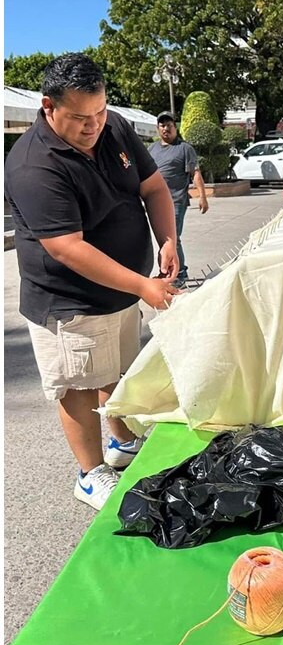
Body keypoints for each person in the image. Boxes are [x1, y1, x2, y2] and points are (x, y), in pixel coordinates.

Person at [4, 53, 182, 510]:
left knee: (116, 369)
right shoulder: (32, 165)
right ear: (48, 106)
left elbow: (154, 187)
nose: (94, 125)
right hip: (70, 300)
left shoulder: (115, 126)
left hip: (122, 289)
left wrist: (167, 240)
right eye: (81, 117)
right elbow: (66, 247)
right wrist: (144, 287)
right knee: (79, 383)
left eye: (100, 111)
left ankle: (120, 441)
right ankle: (89, 473)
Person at [149, 111, 208, 285]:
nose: (165, 128)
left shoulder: (184, 148)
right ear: (158, 128)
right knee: (163, 240)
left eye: (169, 125)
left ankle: (179, 274)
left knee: (172, 238)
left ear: (175, 127)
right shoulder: (152, 149)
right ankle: (168, 272)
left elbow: (195, 173)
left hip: (176, 201)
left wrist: (202, 197)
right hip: (155, 202)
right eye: (162, 125)